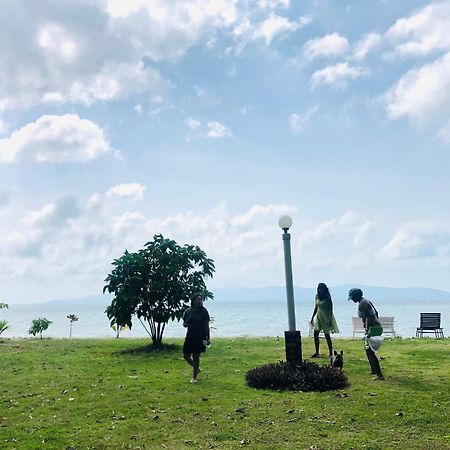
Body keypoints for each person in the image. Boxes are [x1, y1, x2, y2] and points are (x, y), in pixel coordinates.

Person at [348, 288, 385, 381]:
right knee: (367, 349)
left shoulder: (362, 304)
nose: (352, 300)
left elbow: (368, 317)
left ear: (356, 296)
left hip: (373, 328)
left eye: (352, 297)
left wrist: (367, 329)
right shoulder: (366, 301)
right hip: (376, 326)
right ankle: (373, 370)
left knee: (370, 351)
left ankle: (379, 375)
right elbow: (376, 313)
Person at [183, 293, 210, 383]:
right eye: (198, 299)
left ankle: (194, 377)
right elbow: (185, 323)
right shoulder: (188, 311)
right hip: (190, 336)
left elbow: (206, 325)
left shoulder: (204, 311)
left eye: (201, 300)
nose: (200, 301)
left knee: (196, 356)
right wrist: (185, 325)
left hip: (200, 336)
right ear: (193, 301)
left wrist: (208, 337)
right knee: (186, 355)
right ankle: (197, 368)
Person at [310, 283, 339, 358]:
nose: (320, 290)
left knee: (327, 335)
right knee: (315, 334)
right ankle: (317, 352)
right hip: (319, 317)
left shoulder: (328, 298)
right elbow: (316, 307)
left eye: (321, 289)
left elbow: (330, 310)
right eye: (319, 289)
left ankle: (330, 353)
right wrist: (312, 317)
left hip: (326, 317)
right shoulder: (317, 297)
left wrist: (329, 320)